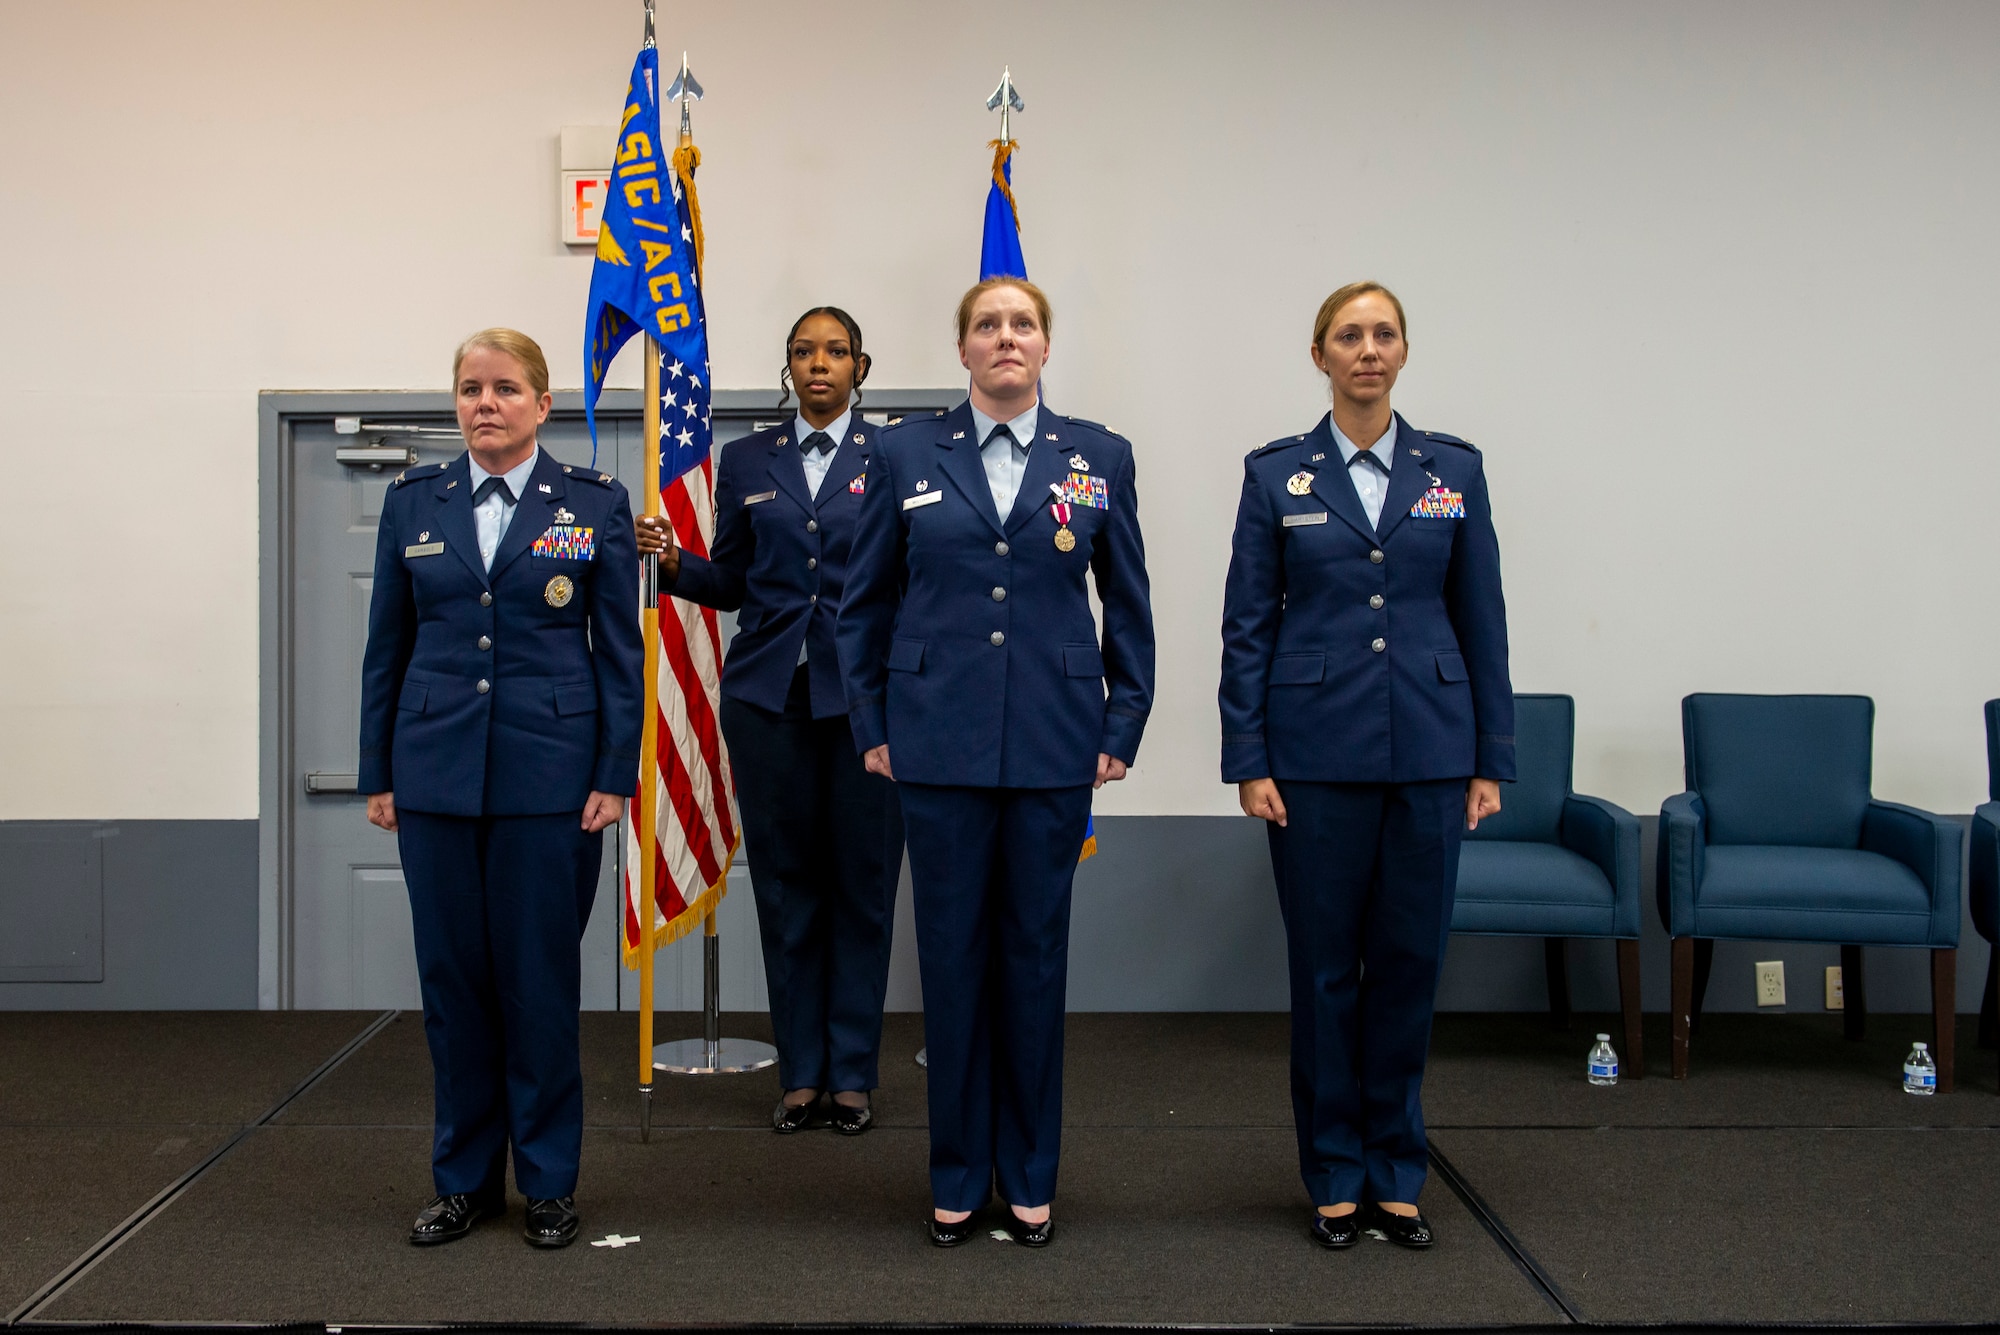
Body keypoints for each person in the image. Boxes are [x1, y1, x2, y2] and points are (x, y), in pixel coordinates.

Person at [837, 278, 1155, 1249]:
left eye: (1022, 324)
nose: (1004, 337)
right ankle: (954, 1173)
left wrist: (1120, 724)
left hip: (1056, 743)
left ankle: (1026, 1175)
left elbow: (1128, 604)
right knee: (952, 962)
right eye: (987, 325)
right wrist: (872, 723)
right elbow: (862, 607)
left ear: (1045, 347)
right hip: (934, 743)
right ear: (963, 350)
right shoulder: (900, 452)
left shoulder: (1097, 457)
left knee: (1032, 961)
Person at [1218, 281, 1513, 1251]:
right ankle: (1332, 1174)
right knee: (1321, 977)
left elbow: (1481, 625)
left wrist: (1488, 758)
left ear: (1402, 352)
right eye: (1348, 335)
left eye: (1383, 334)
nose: (1367, 350)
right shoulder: (1276, 478)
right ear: (1319, 357)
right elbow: (1247, 630)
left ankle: (1397, 1172)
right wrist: (1246, 757)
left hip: (1430, 755)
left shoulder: (1451, 472)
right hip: (1311, 762)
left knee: (1406, 970)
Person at [359, 328, 641, 1249]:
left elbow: (618, 660)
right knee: (454, 987)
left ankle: (550, 1180)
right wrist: (380, 774)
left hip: (551, 784)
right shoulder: (415, 502)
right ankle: (465, 1179)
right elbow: (386, 652)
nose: (487, 403)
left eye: (507, 388)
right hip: (435, 779)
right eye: (472, 388)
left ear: (543, 405)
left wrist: (613, 775)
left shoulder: (591, 504)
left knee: (539, 987)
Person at [635, 308, 903, 1136]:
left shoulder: (895, 454)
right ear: (787, 367)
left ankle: (852, 1071)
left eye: (834, 351)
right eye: (802, 352)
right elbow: (735, 581)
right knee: (786, 887)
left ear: (861, 363)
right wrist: (675, 563)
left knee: (861, 883)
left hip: (866, 701)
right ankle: (801, 1073)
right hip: (768, 698)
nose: (818, 364)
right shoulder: (748, 458)